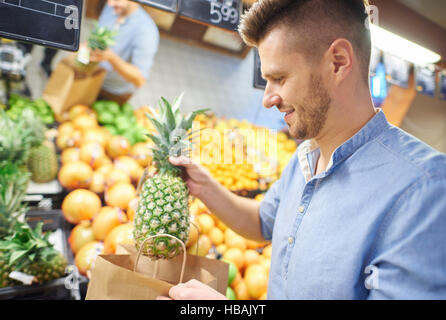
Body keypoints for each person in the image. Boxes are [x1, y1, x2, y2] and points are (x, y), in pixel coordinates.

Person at [157, 0, 446, 300]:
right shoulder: (305, 158)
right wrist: (203, 186)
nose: (267, 98)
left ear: (338, 62)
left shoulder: (425, 190)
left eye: (279, 78)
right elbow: (262, 222)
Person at [90, 0, 159, 105]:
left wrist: (111, 58)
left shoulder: (147, 30)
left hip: (114, 92)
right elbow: (96, 33)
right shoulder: (112, 7)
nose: (110, 3)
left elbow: (140, 79)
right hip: (92, 78)